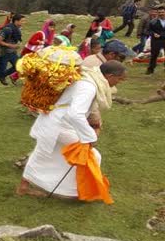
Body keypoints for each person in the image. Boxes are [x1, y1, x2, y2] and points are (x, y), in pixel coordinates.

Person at [17, 61, 126, 203]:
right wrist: (89, 136)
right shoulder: (89, 86)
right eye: (120, 79)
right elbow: (75, 114)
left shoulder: (87, 78)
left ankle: (24, 187)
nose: (119, 83)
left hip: (54, 122)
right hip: (59, 125)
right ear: (110, 76)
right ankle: (76, 191)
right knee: (91, 155)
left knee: (42, 154)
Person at [0, 14, 25, 87]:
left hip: (12, 53)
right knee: (1, 69)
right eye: (22, 21)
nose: (23, 22)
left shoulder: (16, 29)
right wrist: (11, 46)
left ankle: (2, 76)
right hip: (4, 53)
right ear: (16, 21)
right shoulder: (8, 29)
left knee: (18, 66)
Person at [147, 6, 165, 75]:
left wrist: (161, 35)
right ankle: (150, 69)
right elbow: (148, 31)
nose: (161, 14)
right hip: (156, 41)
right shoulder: (153, 22)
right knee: (154, 55)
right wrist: (153, 34)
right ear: (157, 13)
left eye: (162, 12)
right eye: (159, 12)